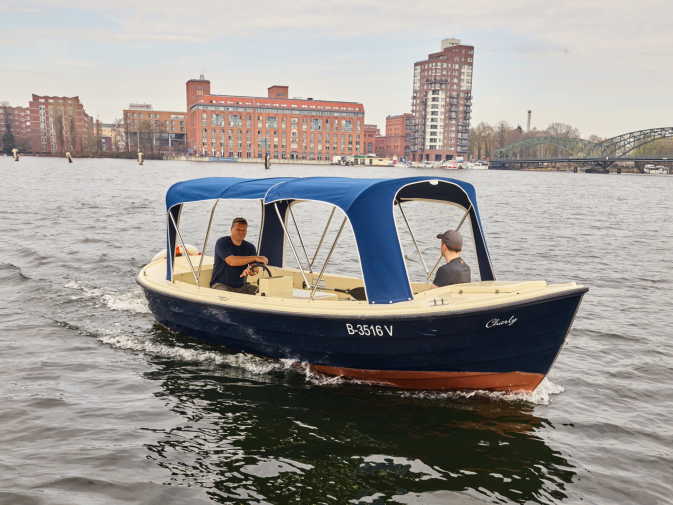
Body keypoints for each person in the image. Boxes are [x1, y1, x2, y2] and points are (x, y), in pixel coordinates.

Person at [210, 217, 268, 294]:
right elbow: (232, 261)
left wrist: (251, 270)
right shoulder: (222, 242)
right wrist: (255, 258)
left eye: (244, 230)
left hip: (242, 286)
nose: (241, 232)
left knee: (264, 293)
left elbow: (255, 267)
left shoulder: (250, 247)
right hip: (221, 285)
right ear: (231, 229)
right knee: (226, 296)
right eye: (238, 229)